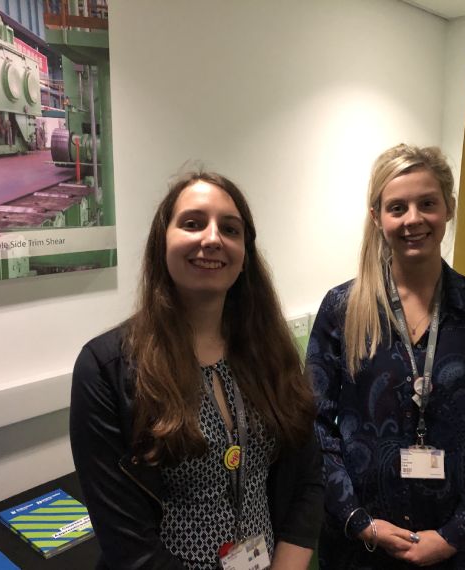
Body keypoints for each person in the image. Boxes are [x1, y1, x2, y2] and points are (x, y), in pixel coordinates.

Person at [70, 170, 323, 569]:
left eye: (230, 229)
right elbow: (128, 546)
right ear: (162, 242)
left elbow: (307, 476)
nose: (212, 238)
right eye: (192, 223)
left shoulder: (271, 352)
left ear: (245, 253)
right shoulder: (106, 369)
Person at [307, 144, 465, 569]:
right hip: (361, 550)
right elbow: (314, 425)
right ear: (377, 217)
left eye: (427, 203)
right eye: (397, 207)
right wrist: (359, 521)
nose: (413, 219)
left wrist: (453, 536)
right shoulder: (341, 310)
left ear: (448, 208)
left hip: (458, 552)